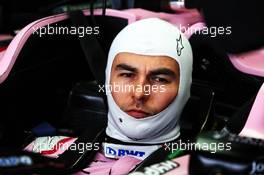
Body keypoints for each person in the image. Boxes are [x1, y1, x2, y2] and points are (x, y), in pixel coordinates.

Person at [25, 18, 193, 175]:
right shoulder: (40, 152)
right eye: (127, 75)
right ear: (108, 79)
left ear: (184, 87)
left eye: (160, 79)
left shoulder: (203, 167)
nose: (139, 93)